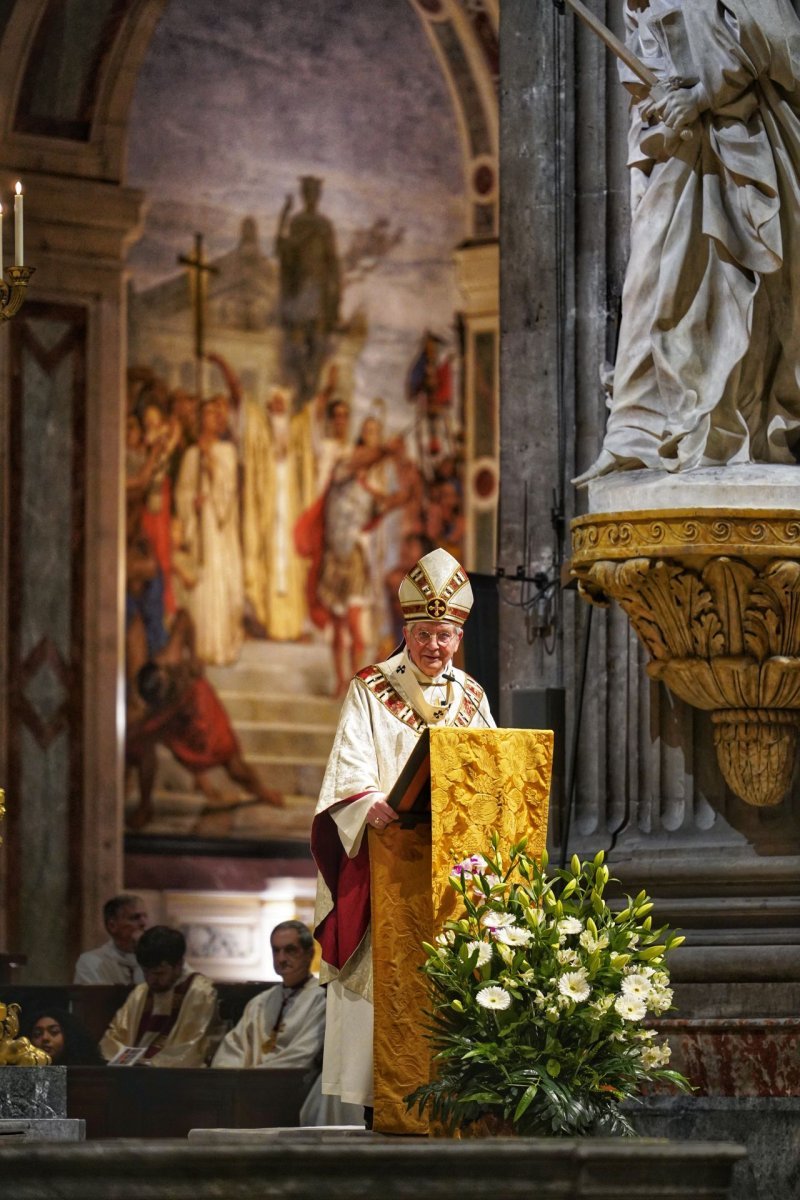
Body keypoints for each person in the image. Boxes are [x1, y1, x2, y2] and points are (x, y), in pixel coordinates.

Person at [576, 0, 800, 482]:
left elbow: (779, 40)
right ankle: (636, 432)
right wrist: (662, 95)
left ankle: (723, 431)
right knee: (649, 281)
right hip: (682, 148)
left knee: (733, 287)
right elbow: (644, 53)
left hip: (743, 143)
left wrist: (703, 95)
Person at [310, 547, 495, 1117]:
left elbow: (490, 771)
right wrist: (367, 802)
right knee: (386, 989)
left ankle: (459, 1101)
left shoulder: (472, 697)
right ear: (406, 632)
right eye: (422, 635)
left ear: (458, 637)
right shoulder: (371, 688)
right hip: (388, 863)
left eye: (443, 635)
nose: (433, 647)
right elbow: (350, 765)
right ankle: (381, 1105)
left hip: (449, 877)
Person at [175, 396, 244, 665]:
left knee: (220, 581)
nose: (214, 419)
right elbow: (183, 491)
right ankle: (200, 646)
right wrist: (192, 504)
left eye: (217, 414)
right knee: (200, 584)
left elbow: (228, 492)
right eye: (208, 414)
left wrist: (212, 471)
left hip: (219, 529)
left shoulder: (226, 451)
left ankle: (219, 645)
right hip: (199, 528)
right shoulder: (191, 453)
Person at [100, 925, 219, 1067]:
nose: (151, 980)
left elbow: (194, 1046)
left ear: (178, 965)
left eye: (159, 974)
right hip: (132, 1072)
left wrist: (151, 1064)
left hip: (172, 1077)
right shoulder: (140, 993)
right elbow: (115, 1036)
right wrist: (125, 1061)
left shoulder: (201, 992)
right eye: (145, 972)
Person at [212, 920, 325, 1069]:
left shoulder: (322, 998)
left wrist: (255, 1077)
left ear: (309, 954)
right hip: (249, 1085)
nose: (281, 959)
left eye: (290, 950)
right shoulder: (260, 1002)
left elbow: (304, 1054)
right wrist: (229, 1077)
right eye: (276, 950)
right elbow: (234, 1048)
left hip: (295, 1086)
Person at [73, 894, 149, 985]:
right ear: (112, 926)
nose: (144, 923)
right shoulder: (91, 962)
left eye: (145, 916)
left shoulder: (154, 959)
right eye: (135, 918)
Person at [24, 1008, 105, 1066]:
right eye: (37, 1034)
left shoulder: (92, 1074)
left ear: (69, 1036)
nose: (45, 1038)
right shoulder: (23, 1074)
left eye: (54, 1032)